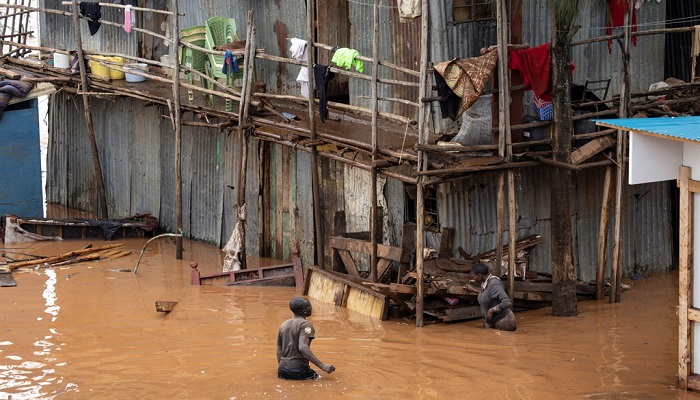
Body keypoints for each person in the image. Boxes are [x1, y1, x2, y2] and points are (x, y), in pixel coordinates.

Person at [277, 297, 335, 380]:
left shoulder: (283, 325)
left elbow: (279, 352)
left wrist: (283, 368)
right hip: (299, 369)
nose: (311, 308)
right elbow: (303, 347)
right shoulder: (306, 325)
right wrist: (322, 366)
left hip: (282, 369)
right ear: (304, 311)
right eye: (309, 306)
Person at [464, 263, 517, 331]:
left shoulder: (494, 283)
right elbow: (488, 294)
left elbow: (507, 302)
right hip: (492, 321)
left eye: (473, 277)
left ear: (480, 275)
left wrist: (492, 310)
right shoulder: (485, 282)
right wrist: (473, 289)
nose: (473, 279)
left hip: (503, 321)